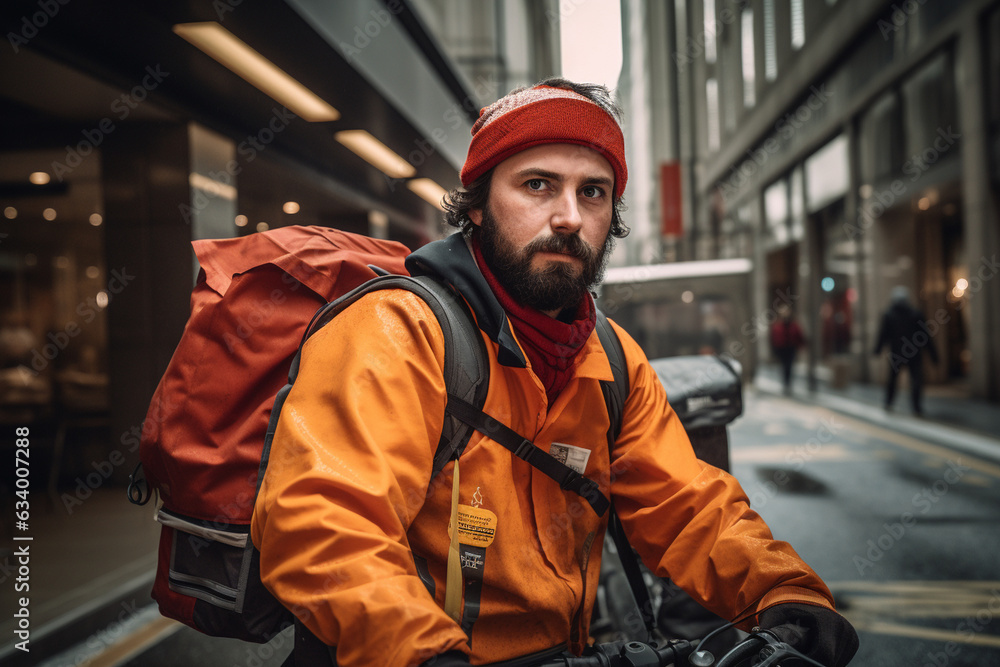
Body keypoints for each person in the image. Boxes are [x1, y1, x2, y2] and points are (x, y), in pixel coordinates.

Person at [251, 78, 859, 667]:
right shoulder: (398, 330)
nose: (569, 216)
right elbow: (324, 521)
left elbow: (690, 507)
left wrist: (785, 592)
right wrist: (418, 650)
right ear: (480, 208)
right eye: (538, 185)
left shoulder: (613, 359)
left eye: (592, 192)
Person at [874, 286, 939, 416]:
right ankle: (916, 407)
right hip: (913, 353)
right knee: (915, 380)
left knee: (893, 379)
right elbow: (925, 336)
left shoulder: (889, 314)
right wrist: (933, 355)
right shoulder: (915, 313)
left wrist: (878, 349)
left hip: (897, 353)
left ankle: (889, 402)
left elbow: (883, 335)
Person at [769, 303, 806, 394]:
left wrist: (801, 345)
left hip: (791, 348)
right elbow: (773, 338)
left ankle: (788, 383)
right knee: (784, 366)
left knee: (789, 366)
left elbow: (799, 335)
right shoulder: (777, 325)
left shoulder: (794, 324)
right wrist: (774, 349)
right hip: (781, 348)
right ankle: (785, 383)